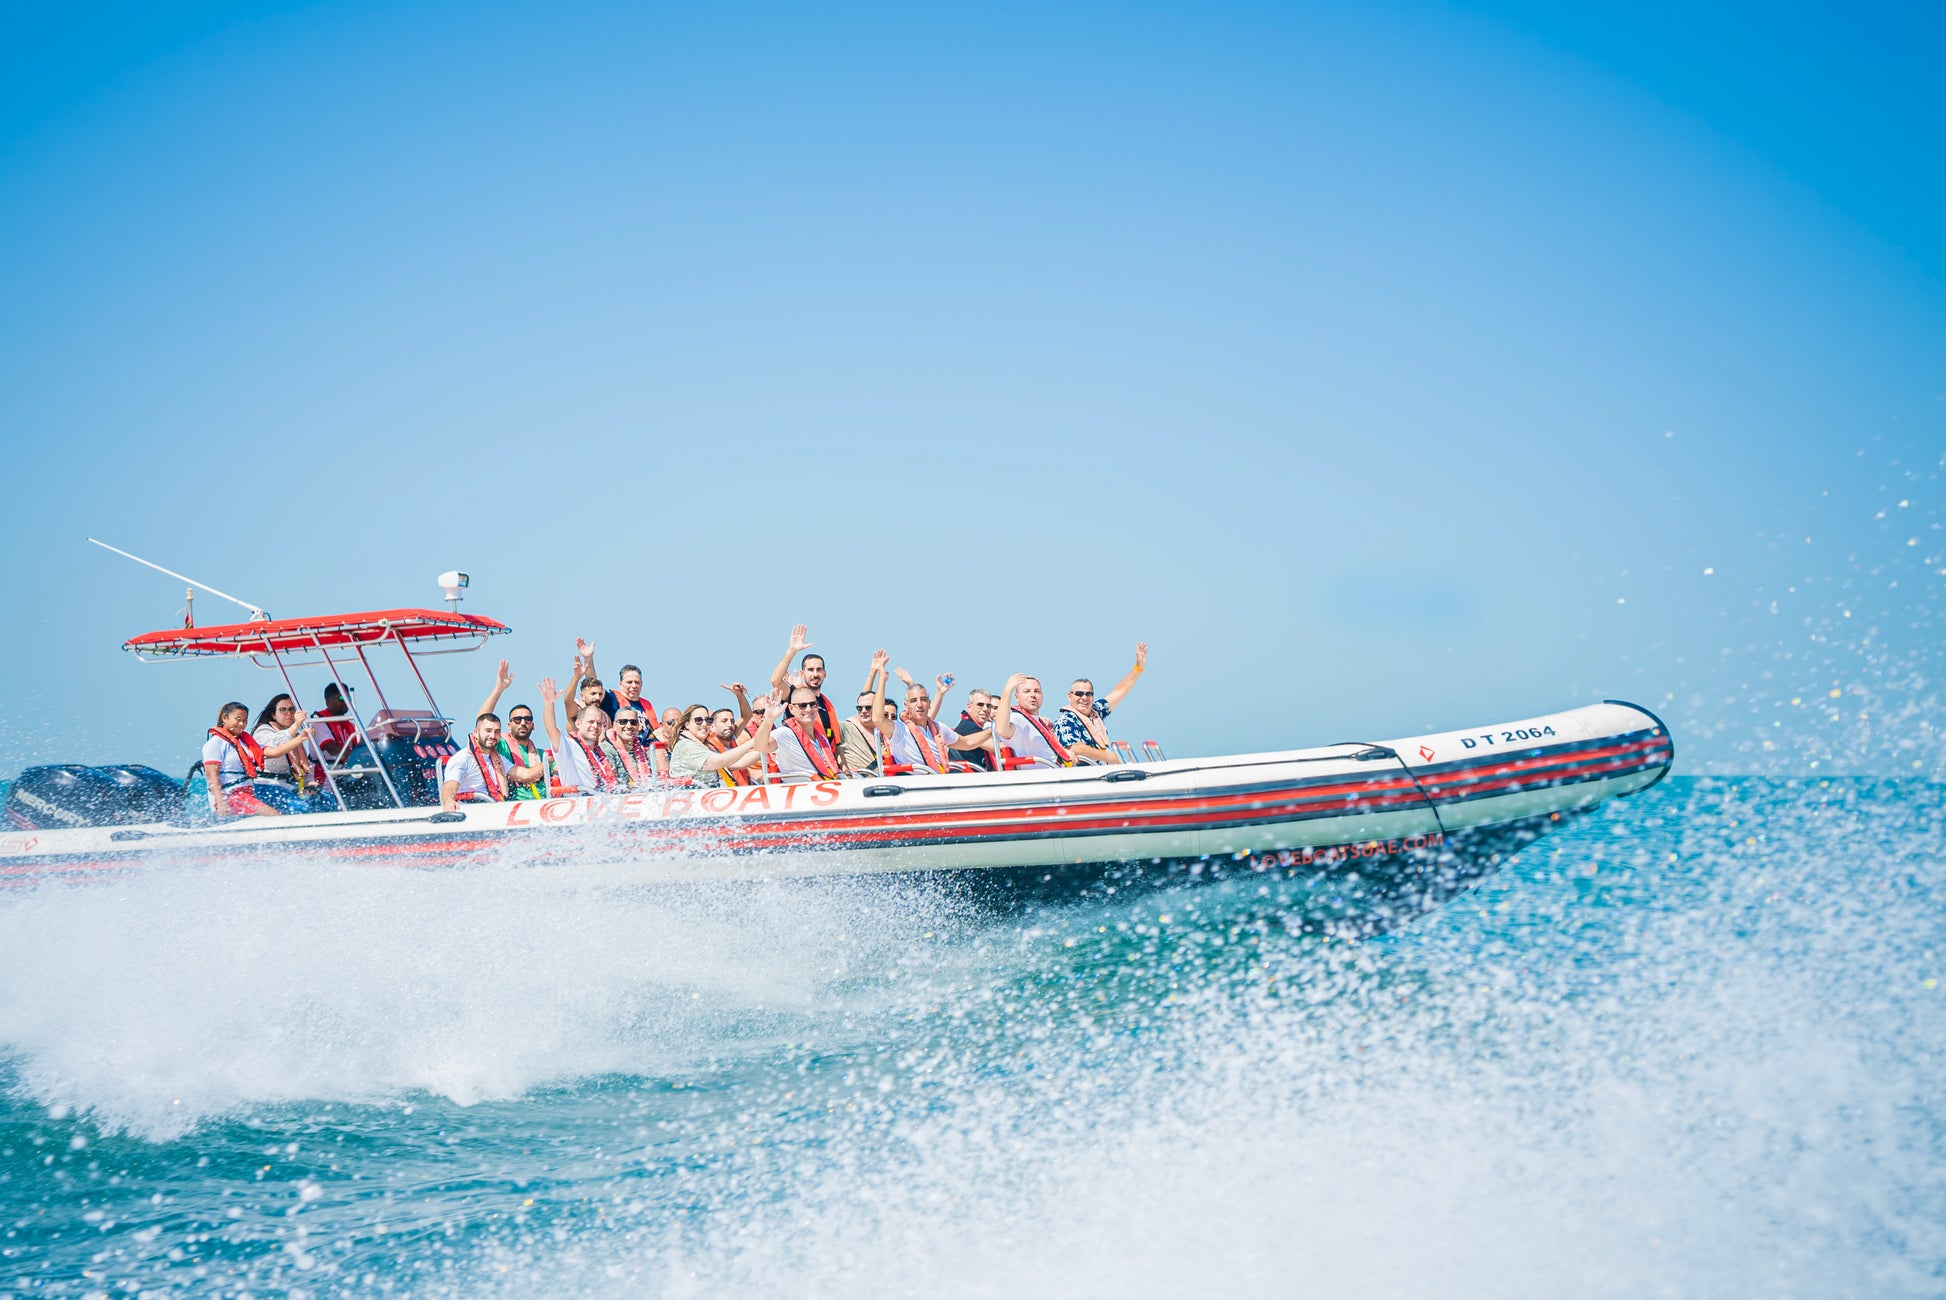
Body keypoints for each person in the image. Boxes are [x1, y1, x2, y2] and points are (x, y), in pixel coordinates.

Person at [202, 701, 311, 817]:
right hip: (230, 795)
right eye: (238, 719)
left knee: (294, 806)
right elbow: (211, 776)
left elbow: (275, 752)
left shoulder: (245, 743)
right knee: (273, 814)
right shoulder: (216, 743)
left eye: (245, 720)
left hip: (249, 791)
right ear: (225, 718)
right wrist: (220, 802)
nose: (241, 724)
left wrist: (300, 738)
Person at [877, 662, 991, 773]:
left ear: (929, 704)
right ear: (906, 706)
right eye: (914, 701)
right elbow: (878, 719)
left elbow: (967, 743)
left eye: (923, 700)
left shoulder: (939, 729)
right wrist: (881, 681)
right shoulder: (899, 730)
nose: (919, 704)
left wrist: (993, 730)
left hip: (939, 779)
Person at [1054, 643, 1150, 763]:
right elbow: (1074, 747)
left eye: (1088, 694)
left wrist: (1138, 668)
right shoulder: (1066, 720)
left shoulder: (1096, 711)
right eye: (1079, 694)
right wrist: (1109, 757)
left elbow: (1120, 691)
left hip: (1104, 770)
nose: (1084, 697)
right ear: (1070, 696)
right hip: (1085, 773)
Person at [440, 713, 546, 811]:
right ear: (476, 733)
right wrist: (448, 800)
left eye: (497, 732)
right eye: (488, 731)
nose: (493, 736)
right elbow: (450, 786)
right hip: (470, 811)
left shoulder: (498, 759)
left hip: (493, 810)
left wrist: (548, 760)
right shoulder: (462, 759)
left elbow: (526, 775)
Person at [476, 660, 547, 799]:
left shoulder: (541, 754)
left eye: (527, 719)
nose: (523, 723)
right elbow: (482, 722)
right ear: (509, 725)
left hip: (543, 803)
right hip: (514, 804)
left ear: (533, 725)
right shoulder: (501, 745)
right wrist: (499, 689)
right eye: (517, 719)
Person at [768, 625, 841, 756]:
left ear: (824, 674)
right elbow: (775, 681)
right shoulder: (794, 695)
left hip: (828, 761)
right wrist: (791, 651)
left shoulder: (826, 704)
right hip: (802, 760)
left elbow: (835, 744)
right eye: (810, 670)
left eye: (819, 670)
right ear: (802, 673)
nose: (815, 674)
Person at [538, 676, 617, 794]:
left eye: (599, 723)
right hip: (578, 802)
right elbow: (551, 730)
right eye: (591, 722)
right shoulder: (568, 747)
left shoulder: (600, 754)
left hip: (602, 801)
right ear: (578, 724)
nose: (595, 726)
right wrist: (549, 703)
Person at [760, 684, 847, 780]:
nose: (808, 709)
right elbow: (761, 746)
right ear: (791, 709)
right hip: (802, 788)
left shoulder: (822, 738)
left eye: (813, 704)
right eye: (802, 706)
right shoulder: (786, 734)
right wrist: (768, 720)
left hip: (827, 785)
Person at [669, 704, 764, 787]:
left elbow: (737, 763)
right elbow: (720, 761)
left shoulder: (702, 747)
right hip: (691, 797)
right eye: (698, 720)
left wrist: (765, 746)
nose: (704, 724)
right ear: (687, 724)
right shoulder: (686, 746)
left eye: (708, 720)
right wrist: (753, 741)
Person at [992, 674, 1076, 767]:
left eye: (1037, 691)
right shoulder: (1017, 718)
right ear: (1017, 697)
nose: (1033, 695)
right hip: (1040, 775)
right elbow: (1002, 729)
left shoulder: (1040, 723)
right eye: (1027, 691)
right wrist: (1007, 692)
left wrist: (1064, 752)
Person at [251, 695, 317, 789]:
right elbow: (276, 745)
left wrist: (309, 783)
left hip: (291, 786)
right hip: (267, 785)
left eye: (292, 709)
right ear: (273, 714)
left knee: (326, 797)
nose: (289, 713)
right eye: (283, 710)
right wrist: (296, 725)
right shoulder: (262, 731)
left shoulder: (295, 735)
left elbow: (305, 764)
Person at [602, 706, 658, 790]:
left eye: (633, 722)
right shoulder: (606, 749)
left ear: (638, 726)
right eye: (623, 722)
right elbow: (611, 785)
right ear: (614, 726)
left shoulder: (640, 751)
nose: (629, 726)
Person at [954, 689, 1000, 772]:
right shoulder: (967, 728)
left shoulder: (974, 726)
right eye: (980, 705)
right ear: (969, 707)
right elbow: (998, 747)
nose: (985, 709)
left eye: (988, 706)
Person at [311, 682, 358, 762]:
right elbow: (333, 750)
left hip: (348, 767)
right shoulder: (319, 723)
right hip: (327, 768)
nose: (346, 702)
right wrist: (356, 757)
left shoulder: (351, 725)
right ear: (328, 702)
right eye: (342, 698)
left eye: (348, 698)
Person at [707, 708, 755, 785]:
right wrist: (761, 744)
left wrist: (740, 697)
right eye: (724, 721)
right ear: (712, 727)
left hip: (744, 788)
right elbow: (736, 764)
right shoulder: (709, 748)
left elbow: (747, 715)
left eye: (732, 721)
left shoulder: (732, 738)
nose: (729, 724)